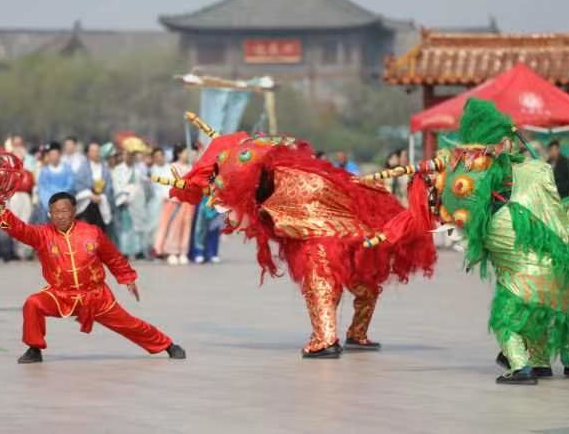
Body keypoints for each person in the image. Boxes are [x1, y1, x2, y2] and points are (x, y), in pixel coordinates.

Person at [163, 115, 437, 357]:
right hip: (348, 233)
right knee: (362, 286)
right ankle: (356, 333)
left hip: (323, 237)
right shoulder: (300, 171)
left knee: (322, 283)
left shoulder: (290, 179)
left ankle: (325, 339)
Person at [429, 99, 569, 385]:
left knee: (515, 310)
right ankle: (552, 361)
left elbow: (458, 207)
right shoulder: (528, 172)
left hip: (532, 254)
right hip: (550, 254)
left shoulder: (510, 177)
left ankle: (525, 364)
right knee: (562, 302)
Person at [0, 191, 186, 363]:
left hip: (96, 296)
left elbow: (112, 257)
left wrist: (127, 276)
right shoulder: (42, 234)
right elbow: (19, 229)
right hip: (60, 295)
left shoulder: (92, 233)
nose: (60, 216)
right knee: (33, 304)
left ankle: (168, 345)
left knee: (129, 324)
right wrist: (2, 212)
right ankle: (34, 349)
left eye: (64, 211)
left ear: (74, 211)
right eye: (55, 212)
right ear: (50, 214)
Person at [153, 145, 195, 265]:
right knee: (174, 227)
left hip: (188, 203)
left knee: (186, 227)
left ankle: (183, 251)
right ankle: (172, 252)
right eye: (185, 152)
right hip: (176, 202)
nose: (187, 155)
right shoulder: (172, 167)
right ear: (179, 154)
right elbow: (167, 185)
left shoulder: (191, 167)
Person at [112, 150, 149, 259]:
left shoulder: (138, 169)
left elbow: (141, 184)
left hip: (136, 202)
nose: (129, 158)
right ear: (124, 156)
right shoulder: (117, 170)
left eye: (132, 156)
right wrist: (124, 197)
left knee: (137, 226)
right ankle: (124, 251)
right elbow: (116, 185)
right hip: (125, 201)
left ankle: (138, 250)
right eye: (127, 155)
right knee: (126, 227)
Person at [74, 142, 114, 232]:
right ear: (88, 153)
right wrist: (89, 194)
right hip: (87, 203)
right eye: (93, 151)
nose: (96, 153)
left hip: (101, 202)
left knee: (100, 231)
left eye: (97, 151)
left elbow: (109, 186)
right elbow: (78, 185)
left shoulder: (105, 168)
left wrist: (102, 196)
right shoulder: (83, 168)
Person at [35, 142, 74, 224]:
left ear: (60, 155)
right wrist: (50, 206)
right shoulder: (44, 172)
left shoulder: (67, 169)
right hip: (48, 206)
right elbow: (43, 190)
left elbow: (71, 186)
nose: (54, 157)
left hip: (65, 203)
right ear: (48, 156)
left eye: (56, 154)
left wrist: (62, 200)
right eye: (51, 154)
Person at [146, 147, 171, 257]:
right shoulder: (151, 171)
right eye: (156, 157)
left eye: (160, 156)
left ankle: (165, 249)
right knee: (155, 226)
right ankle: (155, 249)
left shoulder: (170, 168)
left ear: (164, 156)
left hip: (169, 200)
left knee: (168, 225)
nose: (159, 158)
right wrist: (160, 196)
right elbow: (152, 188)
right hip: (156, 202)